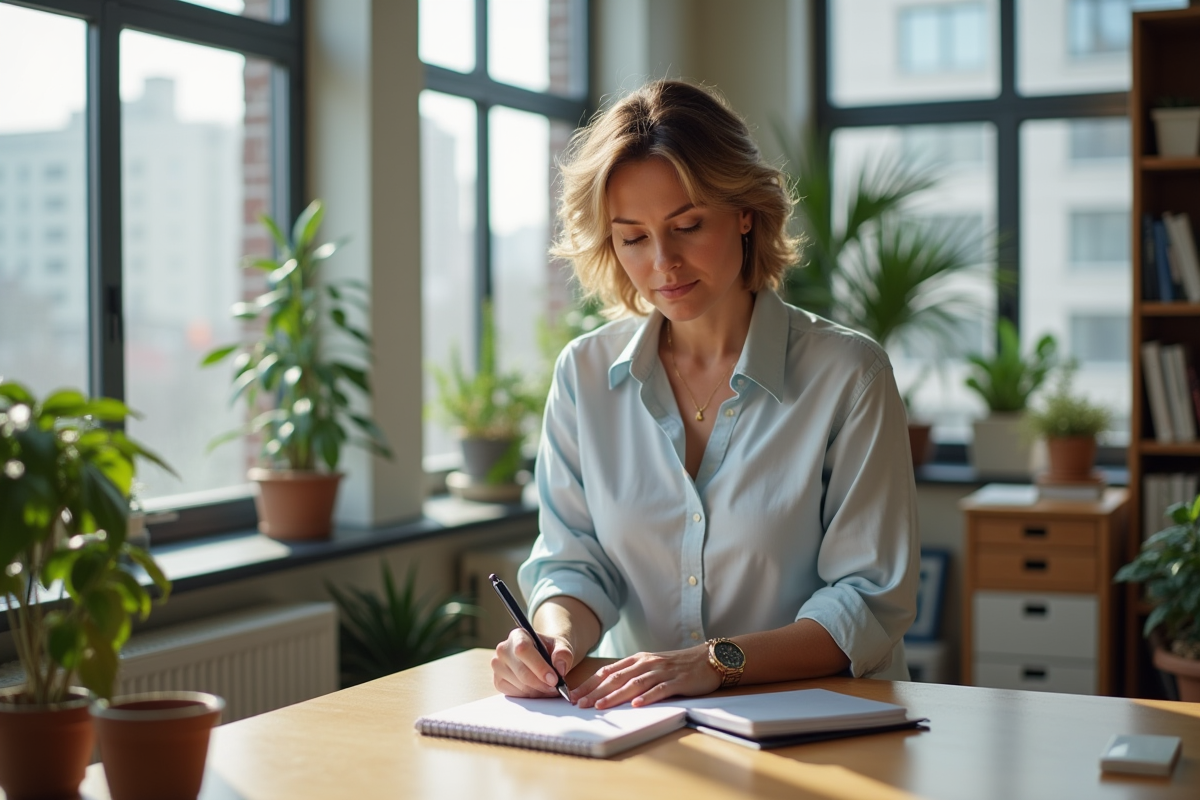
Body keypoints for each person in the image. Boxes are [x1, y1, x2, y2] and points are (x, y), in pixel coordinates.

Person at [491, 79, 918, 711]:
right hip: (649, 730)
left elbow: (867, 600)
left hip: (824, 728)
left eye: (687, 225)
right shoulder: (584, 374)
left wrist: (716, 663)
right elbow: (577, 565)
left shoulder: (849, 375)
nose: (663, 261)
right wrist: (552, 640)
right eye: (632, 237)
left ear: (745, 212)